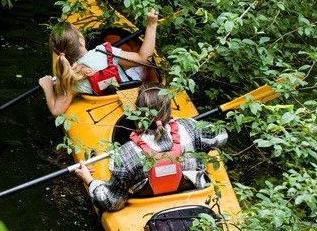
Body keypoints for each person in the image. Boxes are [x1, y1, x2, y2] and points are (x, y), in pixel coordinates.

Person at [73, 83, 229, 211]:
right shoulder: (191, 128)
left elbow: (111, 203)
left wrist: (89, 180)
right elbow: (222, 136)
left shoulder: (125, 154)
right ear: (169, 111)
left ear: (137, 114)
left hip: (146, 206)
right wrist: (186, 124)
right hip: (193, 197)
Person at [39, 9, 159, 116]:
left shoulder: (70, 79)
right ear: (81, 40)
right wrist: (151, 25)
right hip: (133, 99)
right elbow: (144, 60)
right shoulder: (104, 51)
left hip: (107, 109)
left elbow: (56, 110)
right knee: (136, 60)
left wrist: (47, 86)